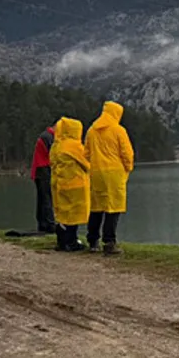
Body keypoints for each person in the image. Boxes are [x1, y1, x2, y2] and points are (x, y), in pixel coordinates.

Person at [83, 101, 135, 255]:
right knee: (113, 208)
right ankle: (109, 242)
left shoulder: (91, 131)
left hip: (96, 172)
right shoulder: (119, 130)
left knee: (96, 208)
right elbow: (127, 153)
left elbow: (86, 154)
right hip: (114, 173)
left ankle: (92, 241)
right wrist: (128, 168)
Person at [48, 117, 90, 252]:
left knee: (62, 214)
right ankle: (71, 242)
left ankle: (61, 241)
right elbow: (87, 163)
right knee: (74, 215)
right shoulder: (73, 146)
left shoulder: (57, 145)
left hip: (58, 184)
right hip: (74, 184)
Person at [31, 124, 57, 233]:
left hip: (40, 169)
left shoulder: (46, 136)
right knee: (47, 198)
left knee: (43, 198)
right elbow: (54, 154)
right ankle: (50, 224)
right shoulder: (48, 137)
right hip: (43, 169)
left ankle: (43, 224)